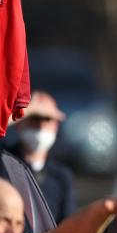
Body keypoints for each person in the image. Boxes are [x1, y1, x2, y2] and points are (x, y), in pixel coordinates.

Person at [11, 90, 75, 223]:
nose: (41, 126)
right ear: (19, 123)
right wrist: (27, 110)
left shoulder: (61, 176)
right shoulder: (0, 160)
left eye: (47, 119)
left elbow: (67, 227)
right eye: (34, 118)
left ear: (56, 126)